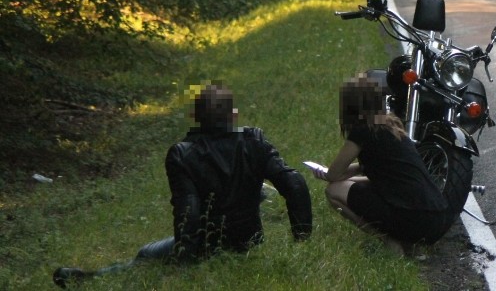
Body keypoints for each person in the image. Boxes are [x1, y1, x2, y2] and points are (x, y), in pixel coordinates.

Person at [52, 83, 312, 288]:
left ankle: (90, 279)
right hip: (250, 240)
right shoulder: (253, 141)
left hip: (208, 245)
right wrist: (301, 237)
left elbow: (189, 213)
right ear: (233, 115)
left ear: (196, 118)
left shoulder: (183, 154)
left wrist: (185, 261)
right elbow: (294, 182)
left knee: (145, 255)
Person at [308, 73, 452, 254]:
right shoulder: (392, 127)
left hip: (414, 220)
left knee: (333, 190)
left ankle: (388, 241)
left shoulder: (362, 130)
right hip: (438, 219)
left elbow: (333, 176)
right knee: (353, 184)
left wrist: (327, 173)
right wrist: (358, 169)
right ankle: (408, 243)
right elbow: (380, 175)